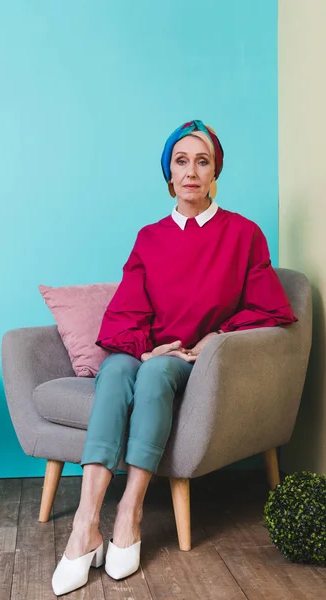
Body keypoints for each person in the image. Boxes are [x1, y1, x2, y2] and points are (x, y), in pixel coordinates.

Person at [52, 119, 297, 596]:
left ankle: (130, 511)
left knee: (159, 372)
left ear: (214, 172)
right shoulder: (150, 237)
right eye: (181, 162)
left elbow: (270, 306)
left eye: (201, 162)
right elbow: (127, 308)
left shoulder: (244, 234)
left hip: (192, 362)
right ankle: (85, 524)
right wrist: (144, 347)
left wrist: (215, 337)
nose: (191, 172)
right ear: (169, 174)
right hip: (153, 348)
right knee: (116, 369)